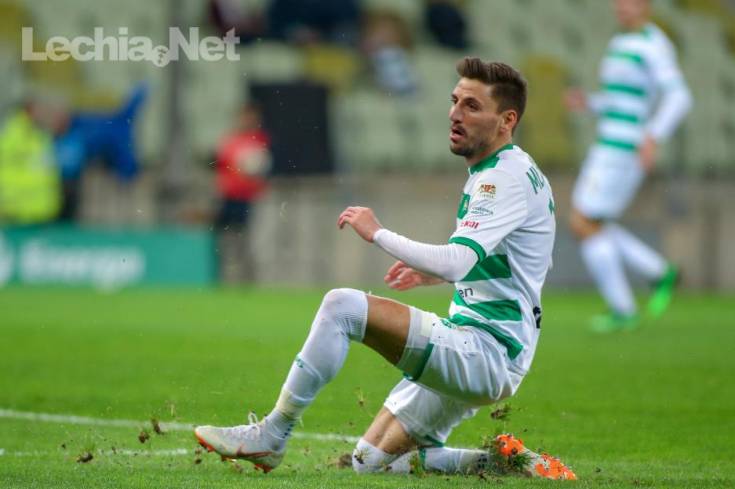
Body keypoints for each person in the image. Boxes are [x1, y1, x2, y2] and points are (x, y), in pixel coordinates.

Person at [195, 58, 576, 480]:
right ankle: (509, 463)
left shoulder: (501, 179)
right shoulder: (509, 170)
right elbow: (519, 261)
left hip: (485, 350)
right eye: (454, 101)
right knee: (370, 463)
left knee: (342, 307)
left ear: (507, 120)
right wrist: (432, 274)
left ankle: (272, 433)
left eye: (472, 106)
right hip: (491, 348)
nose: (455, 114)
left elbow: (457, 261)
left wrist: (377, 232)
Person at [565, 0, 692, 332]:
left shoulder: (654, 44)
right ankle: (659, 272)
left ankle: (624, 307)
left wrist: (654, 135)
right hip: (608, 142)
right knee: (591, 222)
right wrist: (590, 103)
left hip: (624, 148)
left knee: (583, 221)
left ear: (646, 5)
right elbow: (621, 101)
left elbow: (680, 96)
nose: (621, 5)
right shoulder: (620, 42)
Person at [214, 103, 271, 282]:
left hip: (249, 199)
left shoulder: (260, 140)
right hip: (228, 198)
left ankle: (247, 280)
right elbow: (220, 167)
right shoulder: (229, 141)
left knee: (247, 242)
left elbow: (263, 168)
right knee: (224, 241)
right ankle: (223, 279)